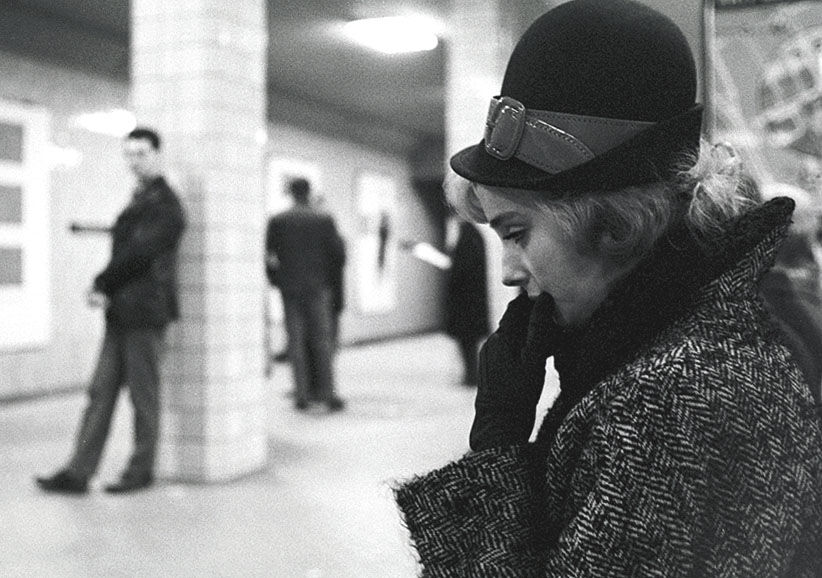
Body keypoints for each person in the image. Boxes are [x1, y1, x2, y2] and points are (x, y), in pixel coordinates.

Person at [393, 1, 822, 575]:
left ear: (612, 223)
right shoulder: (687, 342)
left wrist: (496, 452)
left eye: (516, 233)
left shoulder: (676, 398)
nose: (509, 271)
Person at [36, 127, 186, 494]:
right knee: (100, 393)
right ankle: (78, 472)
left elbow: (140, 255)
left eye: (142, 154)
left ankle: (141, 470)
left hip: (145, 314)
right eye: (129, 154)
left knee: (143, 396)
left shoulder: (166, 206)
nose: (134, 161)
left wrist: (102, 283)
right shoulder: (143, 199)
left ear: (158, 155)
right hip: (122, 313)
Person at [265, 178, 345, 412]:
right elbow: (337, 256)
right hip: (318, 288)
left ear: (291, 193)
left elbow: (269, 255)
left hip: (290, 289)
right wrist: (330, 283)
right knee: (322, 341)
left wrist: (276, 279)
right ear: (309, 192)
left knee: (296, 341)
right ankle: (327, 394)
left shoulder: (279, 220)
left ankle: (302, 394)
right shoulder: (323, 219)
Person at [444, 215, 490, 386]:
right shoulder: (475, 235)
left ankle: (471, 376)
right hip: (472, 302)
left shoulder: (466, 236)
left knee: (467, 342)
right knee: (469, 342)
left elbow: (461, 271)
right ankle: (471, 375)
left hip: (466, 303)